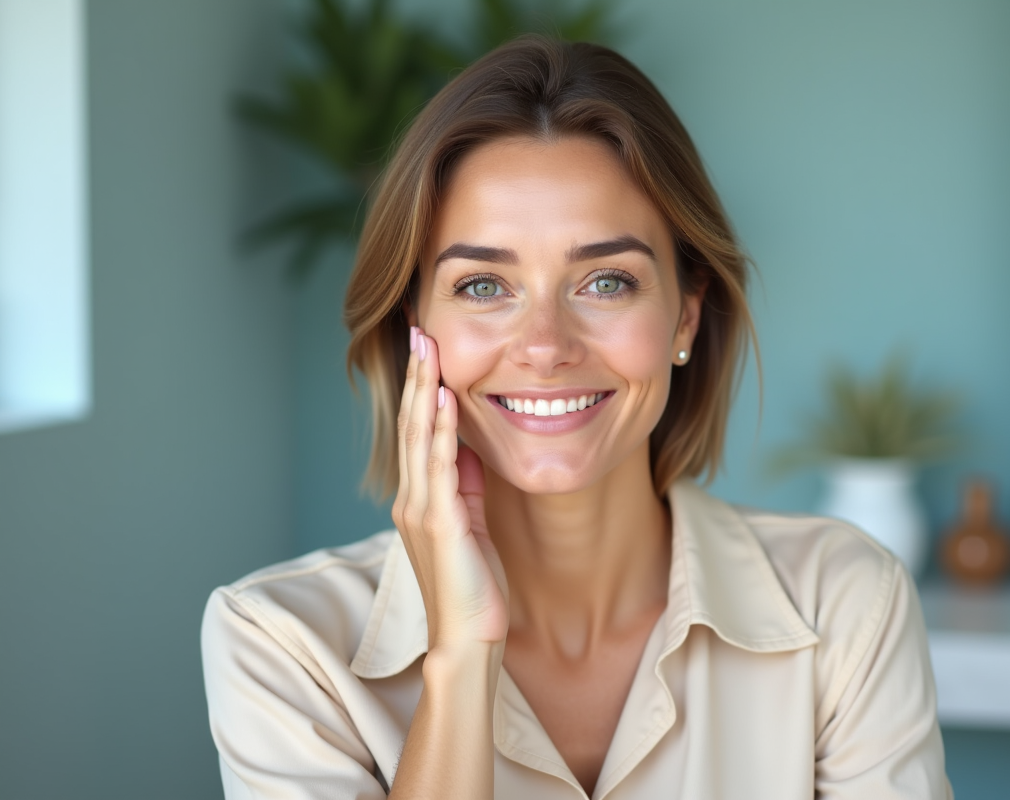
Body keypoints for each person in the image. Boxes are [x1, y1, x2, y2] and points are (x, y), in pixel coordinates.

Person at [201, 36, 952, 799]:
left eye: (605, 281)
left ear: (686, 317)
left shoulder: (847, 604)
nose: (545, 346)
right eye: (483, 286)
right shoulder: (282, 643)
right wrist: (460, 660)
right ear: (414, 327)